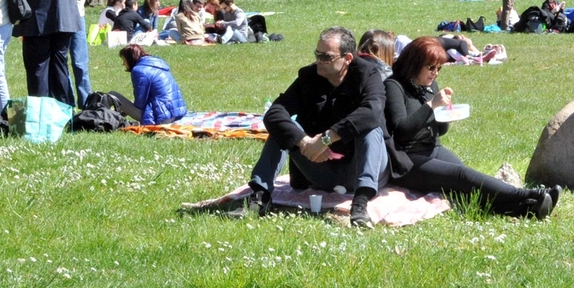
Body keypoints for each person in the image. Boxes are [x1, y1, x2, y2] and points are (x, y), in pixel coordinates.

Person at [232, 26, 389, 227]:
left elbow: (372, 112)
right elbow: (274, 113)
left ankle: (360, 204)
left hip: (359, 167)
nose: (319, 61)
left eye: (326, 57)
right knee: (285, 129)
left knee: (370, 128)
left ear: (347, 58)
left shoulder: (368, 75)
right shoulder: (309, 77)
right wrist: (304, 141)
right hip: (319, 166)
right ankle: (260, 197)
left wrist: (327, 138)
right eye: (317, 54)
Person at [384, 36, 557, 218]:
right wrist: (431, 106)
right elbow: (401, 131)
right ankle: (529, 195)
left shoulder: (430, 85)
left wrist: (444, 113)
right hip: (407, 159)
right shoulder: (394, 86)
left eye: (439, 68)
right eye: (431, 67)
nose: (435, 73)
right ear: (414, 64)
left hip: (432, 148)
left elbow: (440, 131)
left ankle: (525, 209)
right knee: (462, 176)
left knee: (469, 185)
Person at [120, 44, 186, 124]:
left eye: (123, 60)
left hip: (159, 118)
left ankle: (104, 120)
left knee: (112, 95)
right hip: (174, 115)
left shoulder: (139, 71)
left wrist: (125, 108)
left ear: (129, 58)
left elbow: (139, 104)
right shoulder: (157, 65)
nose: (123, 64)